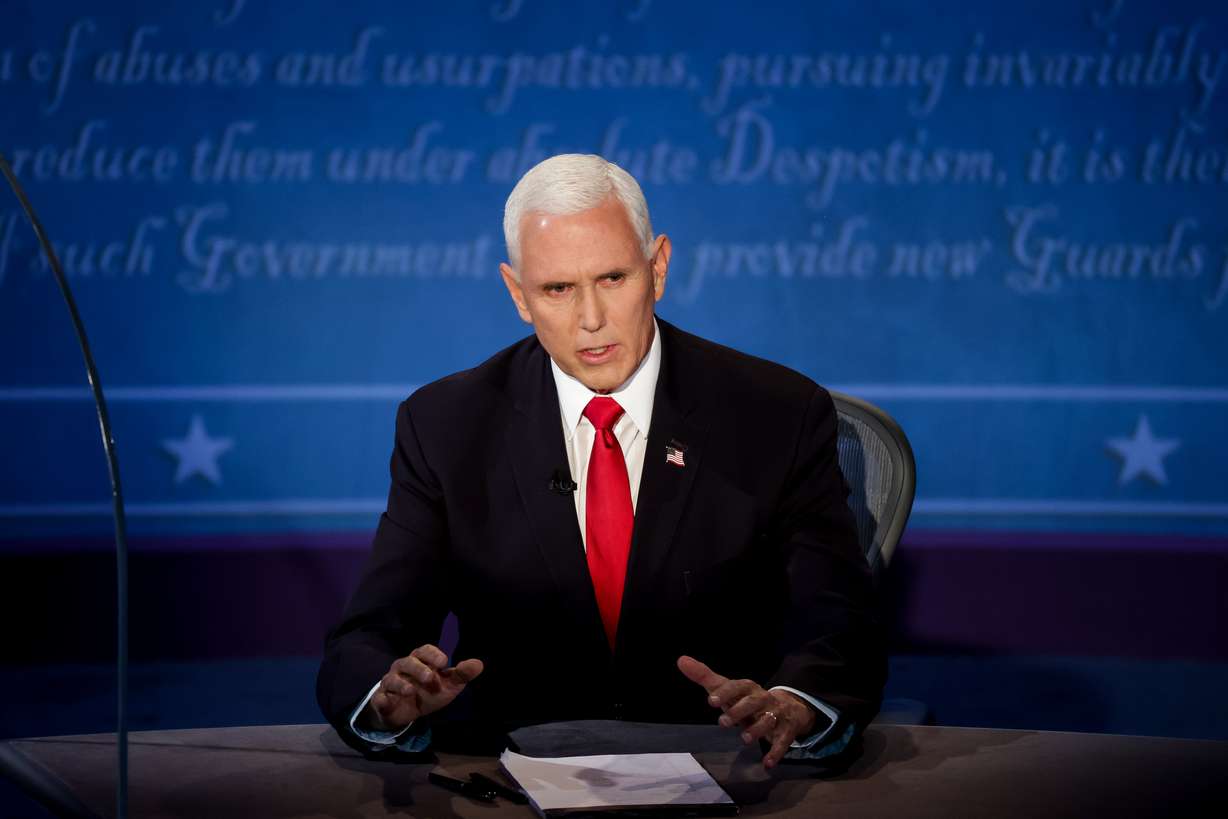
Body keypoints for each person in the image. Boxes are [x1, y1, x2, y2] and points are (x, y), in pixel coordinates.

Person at [317, 154, 885, 767]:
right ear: (518, 295)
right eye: (558, 289)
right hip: (514, 769)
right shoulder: (446, 426)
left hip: (726, 764)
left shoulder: (777, 413)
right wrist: (385, 696)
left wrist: (793, 702)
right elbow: (369, 638)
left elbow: (839, 630)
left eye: (613, 278)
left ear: (658, 267)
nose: (591, 320)